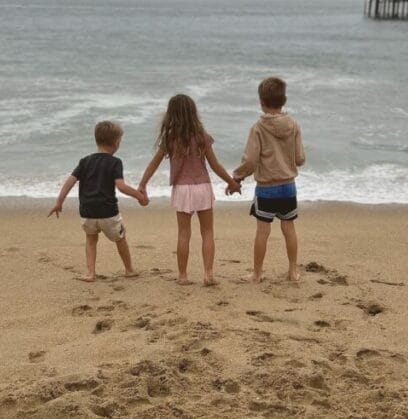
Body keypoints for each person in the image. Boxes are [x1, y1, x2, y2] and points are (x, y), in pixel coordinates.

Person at [138, 94, 241, 286]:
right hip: (202, 186)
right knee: (207, 232)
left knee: (184, 233)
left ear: (171, 115)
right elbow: (215, 165)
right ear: (193, 113)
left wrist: (143, 184)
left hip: (182, 189)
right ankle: (208, 274)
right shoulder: (201, 136)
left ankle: (183, 276)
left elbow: (153, 164)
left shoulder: (170, 138)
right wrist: (232, 182)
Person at [48, 120, 148, 282]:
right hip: (108, 212)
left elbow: (70, 182)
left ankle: (90, 273)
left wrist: (59, 202)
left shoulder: (84, 161)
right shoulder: (115, 162)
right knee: (120, 237)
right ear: (116, 142)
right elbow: (121, 186)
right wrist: (139, 195)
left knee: (91, 239)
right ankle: (129, 269)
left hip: (87, 211)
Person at [232, 77, 305, 283]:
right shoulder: (294, 125)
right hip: (288, 187)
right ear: (284, 100)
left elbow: (251, 160)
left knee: (262, 232)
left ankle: (257, 273)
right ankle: (292, 271)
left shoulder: (258, 128)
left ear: (261, 102)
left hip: (266, 189)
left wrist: (237, 177)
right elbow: (300, 159)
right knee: (288, 228)